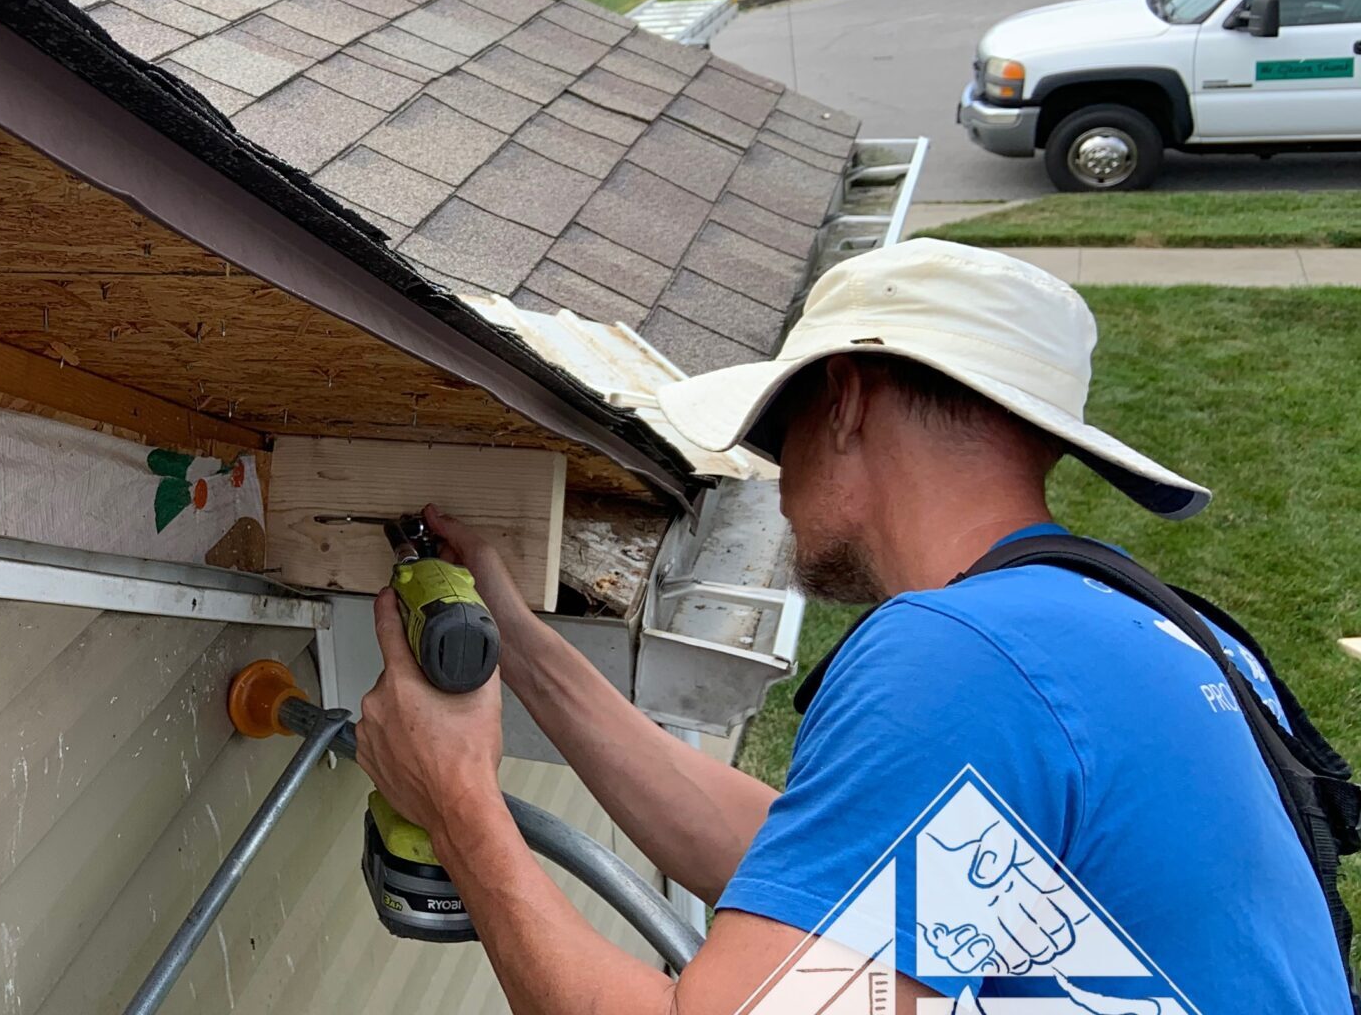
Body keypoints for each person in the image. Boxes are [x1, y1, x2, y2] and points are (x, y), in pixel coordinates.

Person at [352, 239, 1348, 1013]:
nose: (778, 487)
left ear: (845, 402)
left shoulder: (960, 658)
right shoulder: (1116, 626)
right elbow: (827, 874)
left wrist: (455, 797)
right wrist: (521, 642)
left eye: (777, 437)